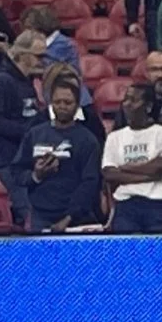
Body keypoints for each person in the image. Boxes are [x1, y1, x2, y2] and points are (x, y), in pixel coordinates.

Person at [20, 67, 103, 233]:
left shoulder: (88, 139)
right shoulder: (35, 132)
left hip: (77, 217)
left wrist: (69, 218)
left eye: (67, 102)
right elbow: (18, 171)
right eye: (58, 102)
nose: (62, 106)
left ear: (77, 104)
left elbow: (90, 182)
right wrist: (36, 175)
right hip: (40, 215)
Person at [102, 82, 162, 233]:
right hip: (126, 204)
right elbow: (109, 174)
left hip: (158, 202)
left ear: (148, 106)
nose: (127, 104)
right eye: (126, 99)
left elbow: (161, 166)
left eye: (133, 100)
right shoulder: (114, 137)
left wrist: (125, 169)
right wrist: (148, 176)